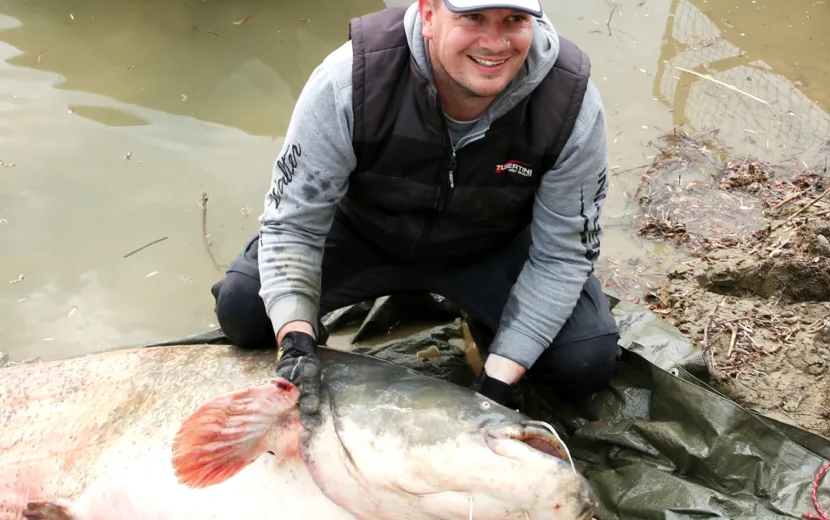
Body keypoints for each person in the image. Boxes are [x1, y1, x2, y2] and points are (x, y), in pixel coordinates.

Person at [210, 0, 621, 419]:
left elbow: (563, 253)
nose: (495, 43)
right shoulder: (351, 79)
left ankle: (490, 333)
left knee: (583, 361)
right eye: (473, 18)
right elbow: (294, 223)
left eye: (514, 20)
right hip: (364, 233)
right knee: (244, 310)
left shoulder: (569, 104)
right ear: (428, 16)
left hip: (489, 247)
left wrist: (496, 386)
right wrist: (296, 343)